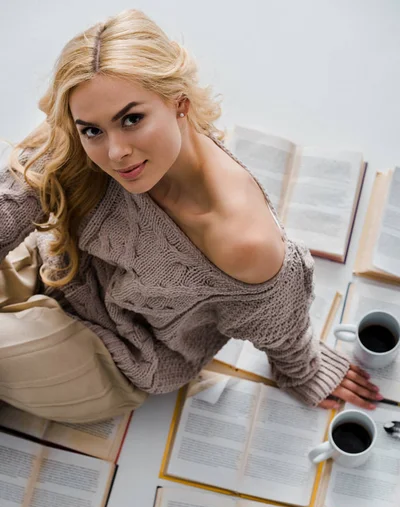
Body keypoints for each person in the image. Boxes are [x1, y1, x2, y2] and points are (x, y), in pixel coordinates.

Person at [0, 9, 381, 423]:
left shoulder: (240, 237)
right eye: (93, 130)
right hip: (52, 269)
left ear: (178, 102)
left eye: (132, 120)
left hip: (114, 356)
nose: (115, 152)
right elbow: (25, 184)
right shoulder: (89, 116)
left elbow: (277, 317)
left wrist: (303, 367)